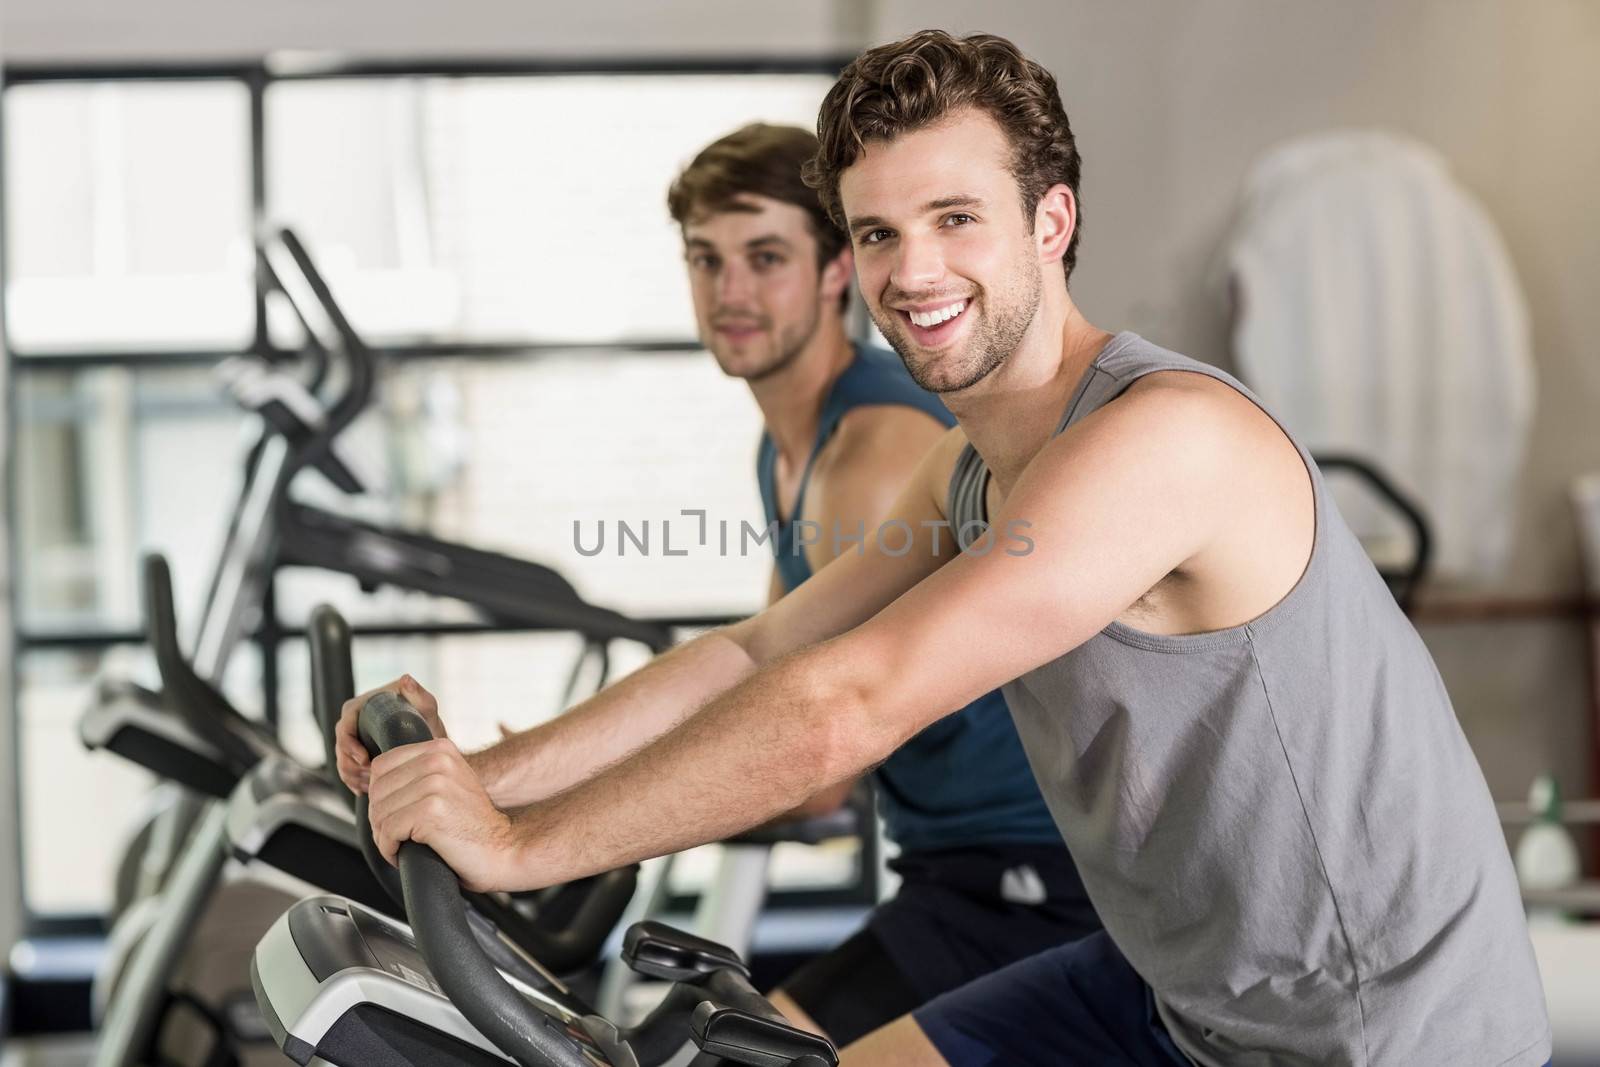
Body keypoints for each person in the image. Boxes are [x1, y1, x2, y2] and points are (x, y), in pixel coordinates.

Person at [338, 29, 1551, 1067]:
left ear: (1050, 221)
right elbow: (763, 646)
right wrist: (481, 778)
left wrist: (520, 848)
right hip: (1177, 988)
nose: (911, 273)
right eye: (876, 235)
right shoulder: (968, 464)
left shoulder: (1167, 440)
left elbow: (842, 706)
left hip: (1365, 1028)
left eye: (954, 219)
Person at [664, 122, 1099, 1043]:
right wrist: (549, 775)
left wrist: (563, 822)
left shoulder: (871, 451)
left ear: (833, 275)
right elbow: (760, 658)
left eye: (765, 256)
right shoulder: (787, 448)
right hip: (954, 873)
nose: (729, 291)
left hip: (1034, 885)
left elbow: (811, 763)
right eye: (706, 259)